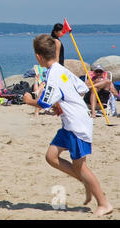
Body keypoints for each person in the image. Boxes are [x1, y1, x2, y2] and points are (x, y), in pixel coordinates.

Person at [23, 34, 112, 216]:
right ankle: (85, 182)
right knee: (51, 157)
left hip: (77, 125)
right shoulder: (60, 69)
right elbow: (80, 89)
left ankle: (104, 203)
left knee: (80, 166)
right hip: (70, 123)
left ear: (38, 56)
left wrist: (28, 101)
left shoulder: (54, 74)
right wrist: (60, 104)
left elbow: (43, 103)